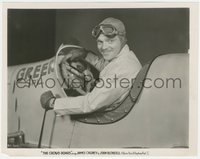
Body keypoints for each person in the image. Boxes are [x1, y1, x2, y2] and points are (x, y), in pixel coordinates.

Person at [41, 17, 142, 115]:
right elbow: (106, 66)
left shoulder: (124, 68)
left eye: (110, 41)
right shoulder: (125, 58)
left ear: (122, 40)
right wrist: (85, 54)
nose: (104, 47)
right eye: (100, 42)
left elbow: (90, 103)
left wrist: (53, 103)